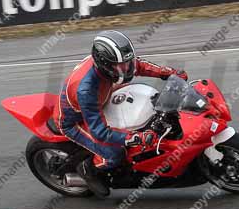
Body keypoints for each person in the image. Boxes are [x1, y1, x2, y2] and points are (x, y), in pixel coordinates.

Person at [57, 29, 188, 197]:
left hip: (102, 97)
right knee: (116, 153)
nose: (126, 68)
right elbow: (99, 132)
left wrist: (167, 72)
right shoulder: (86, 90)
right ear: (104, 64)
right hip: (75, 121)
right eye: (120, 65)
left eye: (126, 63)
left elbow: (138, 65)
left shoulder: (114, 64)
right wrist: (133, 138)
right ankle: (88, 169)